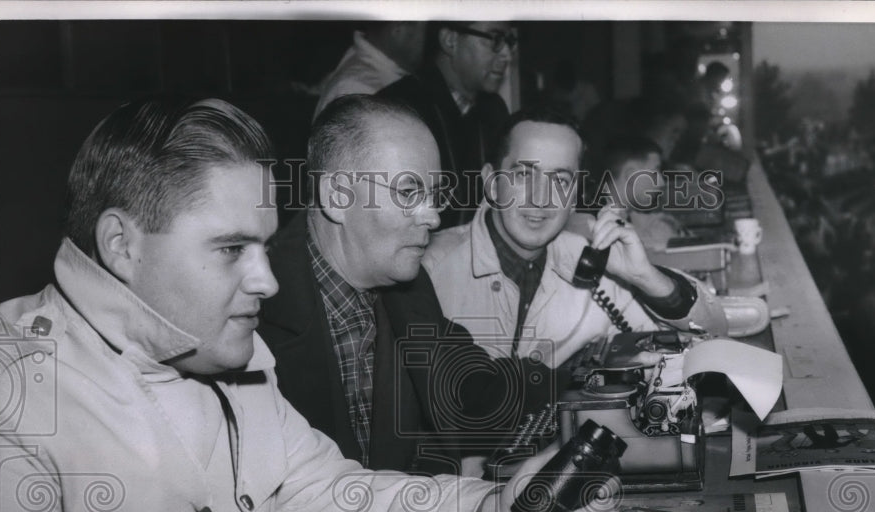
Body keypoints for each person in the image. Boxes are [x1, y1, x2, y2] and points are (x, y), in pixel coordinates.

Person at [0, 97, 601, 512]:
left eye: (262, 245)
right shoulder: (3, 397)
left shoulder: (222, 352)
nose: (266, 278)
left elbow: (334, 498)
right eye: (232, 249)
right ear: (121, 245)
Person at [256, 95, 562, 512]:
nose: (434, 215)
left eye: (435, 193)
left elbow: (475, 397)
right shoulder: (254, 305)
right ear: (336, 195)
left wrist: (588, 390)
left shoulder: (404, 283)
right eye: (408, 192)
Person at [422, 108, 728, 368]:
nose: (541, 198)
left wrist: (645, 277)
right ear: (491, 183)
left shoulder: (588, 263)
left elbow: (711, 335)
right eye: (524, 175)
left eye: (560, 180)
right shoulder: (429, 271)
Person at [380, 21, 516, 227]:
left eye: (509, 42)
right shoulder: (397, 108)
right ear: (450, 40)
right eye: (495, 39)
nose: (507, 55)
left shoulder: (494, 110)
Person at [312, 22, 427, 120]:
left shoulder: (376, 72)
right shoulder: (359, 90)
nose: (429, 41)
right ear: (398, 28)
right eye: (426, 31)